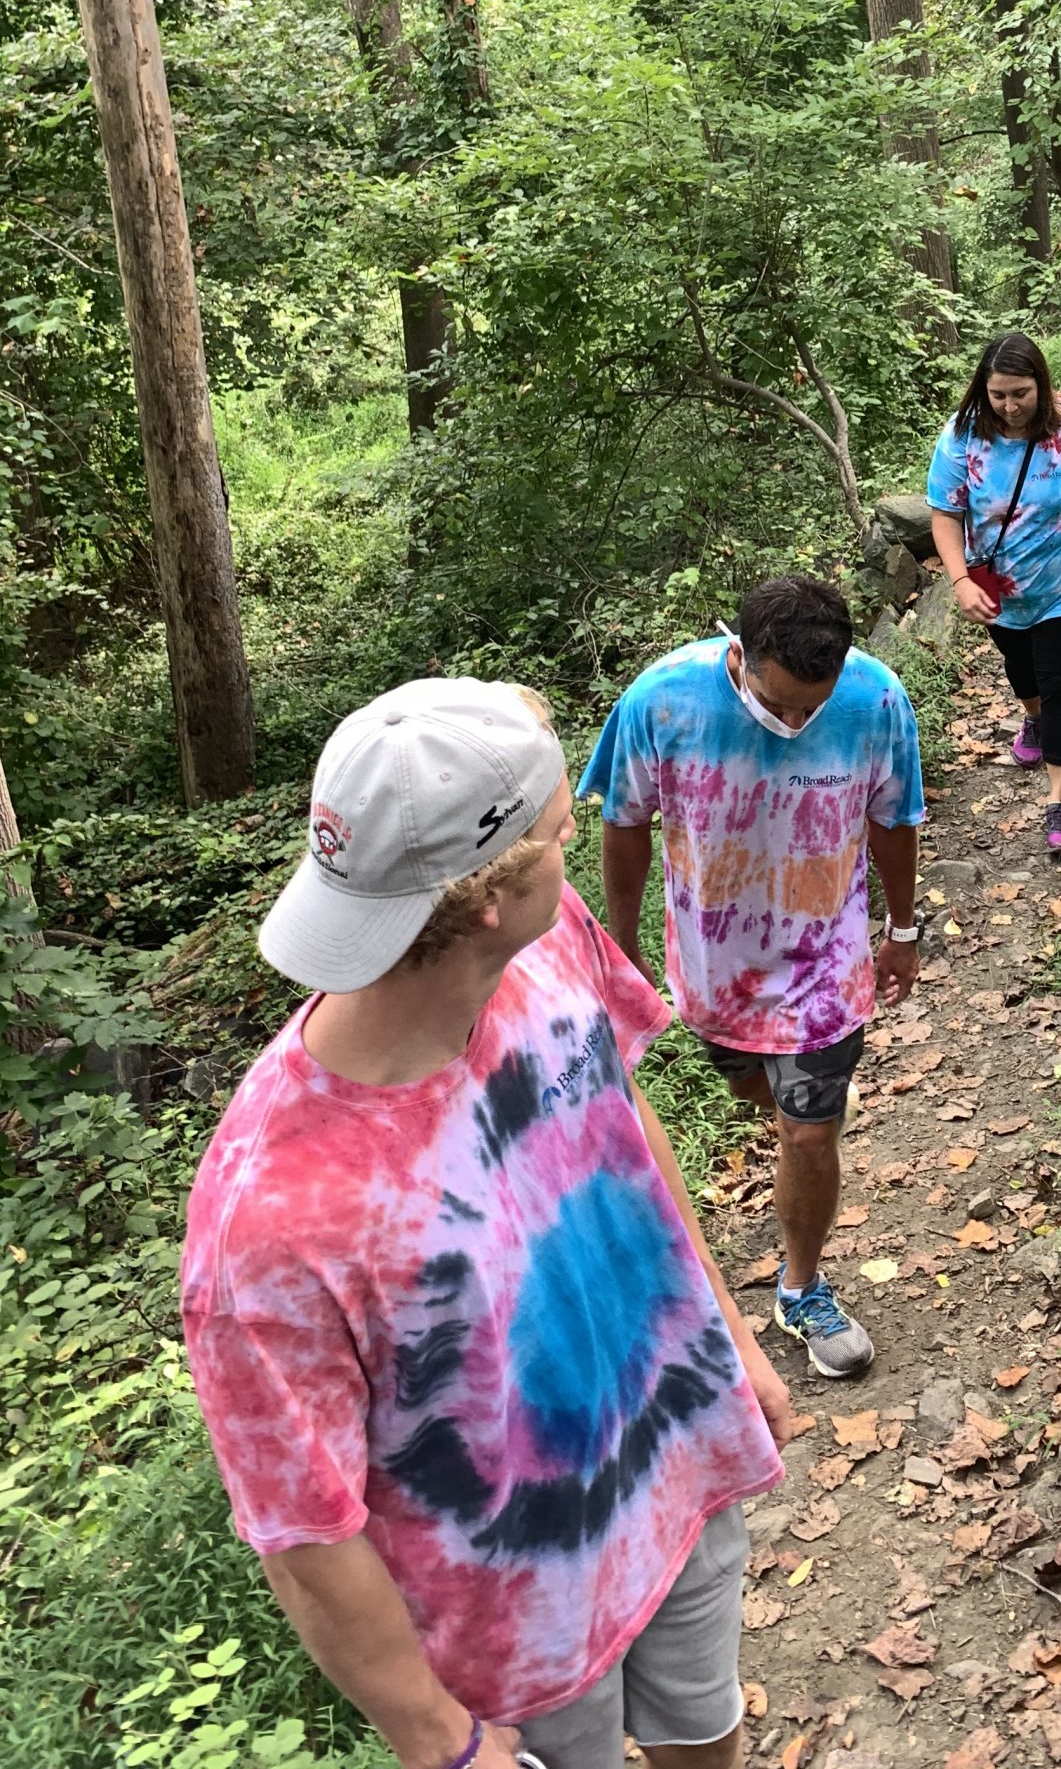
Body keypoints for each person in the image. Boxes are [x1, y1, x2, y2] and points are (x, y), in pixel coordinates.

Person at [180, 678, 793, 1769]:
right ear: (488, 899)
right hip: (514, 1625)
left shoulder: (545, 948)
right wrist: (440, 1738)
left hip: (673, 1462)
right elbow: (304, 1530)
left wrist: (732, 1341)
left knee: (708, 1731)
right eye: (563, 831)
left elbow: (622, 1123)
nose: (579, 845)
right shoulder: (269, 1223)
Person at [581, 575, 924, 1384]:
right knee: (757, 1099)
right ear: (739, 657)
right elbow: (624, 822)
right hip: (712, 974)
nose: (798, 721)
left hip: (824, 974)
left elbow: (893, 816)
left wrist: (902, 929)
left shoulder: (875, 700)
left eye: (814, 706)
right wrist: (621, 942)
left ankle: (800, 1287)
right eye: (781, 704)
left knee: (809, 1134)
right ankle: (786, 1112)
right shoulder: (661, 701)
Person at [926, 332, 1061, 860]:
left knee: (1060, 684)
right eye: (998, 394)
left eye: (1020, 392)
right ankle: (1034, 717)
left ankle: (1059, 802)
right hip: (1002, 589)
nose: (1009, 405)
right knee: (1021, 670)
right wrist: (959, 581)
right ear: (984, 390)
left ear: (1041, 385)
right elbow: (945, 515)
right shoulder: (962, 436)